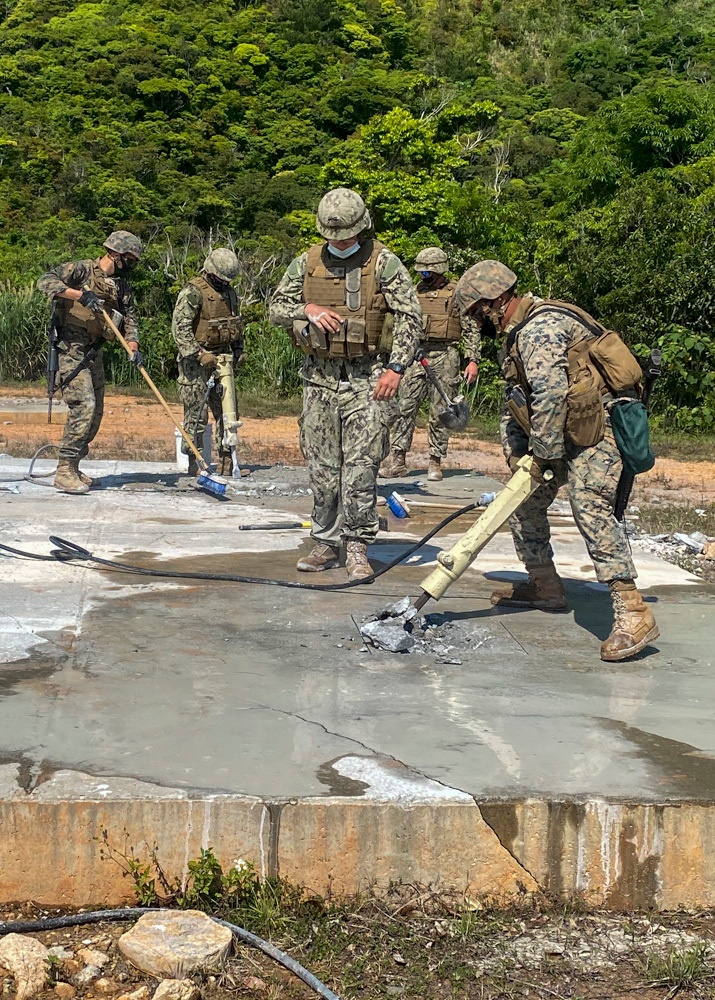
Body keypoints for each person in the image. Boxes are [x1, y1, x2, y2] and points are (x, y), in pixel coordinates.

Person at [455, 259, 659, 662]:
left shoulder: (539, 329)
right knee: (522, 502)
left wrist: (542, 456)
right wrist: (518, 455)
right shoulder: (519, 332)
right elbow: (518, 398)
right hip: (564, 432)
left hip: (597, 430)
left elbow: (548, 396)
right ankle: (545, 585)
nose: (478, 321)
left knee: (591, 507)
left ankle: (633, 611)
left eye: (478, 311)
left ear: (496, 300)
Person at [269, 188, 421, 580]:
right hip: (317, 378)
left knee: (360, 466)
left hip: (367, 377)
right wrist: (307, 308)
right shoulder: (306, 261)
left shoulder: (383, 262)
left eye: (348, 235)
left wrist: (397, 368)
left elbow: (410, 316)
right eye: (333, 235)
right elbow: (274, 308)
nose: (340, 242)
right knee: (322, 466)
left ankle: (357, 546)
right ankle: (325, 542)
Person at [37, 231, 143, 494]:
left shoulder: (122, 287)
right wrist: (78, 295)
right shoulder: (82, 270)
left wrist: (133, 347)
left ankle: (73, 466)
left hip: (94, 351)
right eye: (129, 260)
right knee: (84, 405)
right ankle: (63, 470)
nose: (131, 266)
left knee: (95, 414)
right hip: (71, 349)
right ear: (115, 254)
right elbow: (45, 281)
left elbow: (130, 320)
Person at [380, 247, 481, 481]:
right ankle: (398, 460)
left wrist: (472, 360)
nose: (423, 277)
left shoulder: (457, 293)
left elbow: (470, 328)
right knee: (405, 406)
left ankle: (435, 461)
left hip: (446, 355)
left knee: (441, 410)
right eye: (421, 273)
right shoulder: (413, 292)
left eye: (428, 273)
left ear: (439, 270)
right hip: (417, 354)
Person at [171, 248, 244, 477]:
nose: (224, 282)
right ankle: (195, 459)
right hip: (196, 363)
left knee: (228, 412)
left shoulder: (230, 293)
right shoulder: (193, 292)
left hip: (223, 360)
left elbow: (236, 324)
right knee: (196, 413)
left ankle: (226, 458)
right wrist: (198, 353)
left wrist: (239, 349)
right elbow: (180, 328)